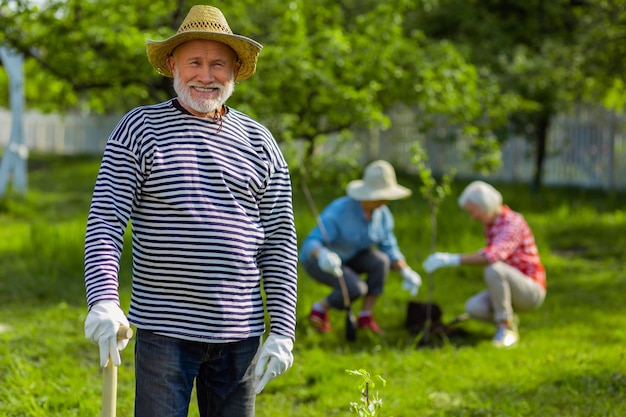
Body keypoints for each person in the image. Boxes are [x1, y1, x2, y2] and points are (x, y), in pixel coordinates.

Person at [82, 5, 298, 417]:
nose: (206, 75)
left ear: (235, 69)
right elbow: (106, 222)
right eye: (194, 62)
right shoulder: (139, 129)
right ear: (171, 64)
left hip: (241, 335)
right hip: (165, 332)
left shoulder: (260, 140)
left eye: (218, 63)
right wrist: (103, 300)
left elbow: (281, 243)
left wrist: (283, 330)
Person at [300, 160, 423, 335]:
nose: (385, 201)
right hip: (321, 261)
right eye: (382, 197)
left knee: (381, 261)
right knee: (356, 288)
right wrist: (322, 255)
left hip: (350, 258)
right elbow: (310, 244)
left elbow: (389, 247)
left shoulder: (382, 215)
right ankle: (319, 309)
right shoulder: (340, 211)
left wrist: (405, 270)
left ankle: (365, 317)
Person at [422, 180, 546, 348]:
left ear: (485, 206)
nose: (473, 217)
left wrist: (450, 259)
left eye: (474, 211)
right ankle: (509, 320)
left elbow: (492, 256)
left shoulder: (512, 223)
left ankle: (506, 328)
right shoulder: (491, 225)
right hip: (512, 286)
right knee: (473, 308)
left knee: (493, 269)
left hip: (530, 291)